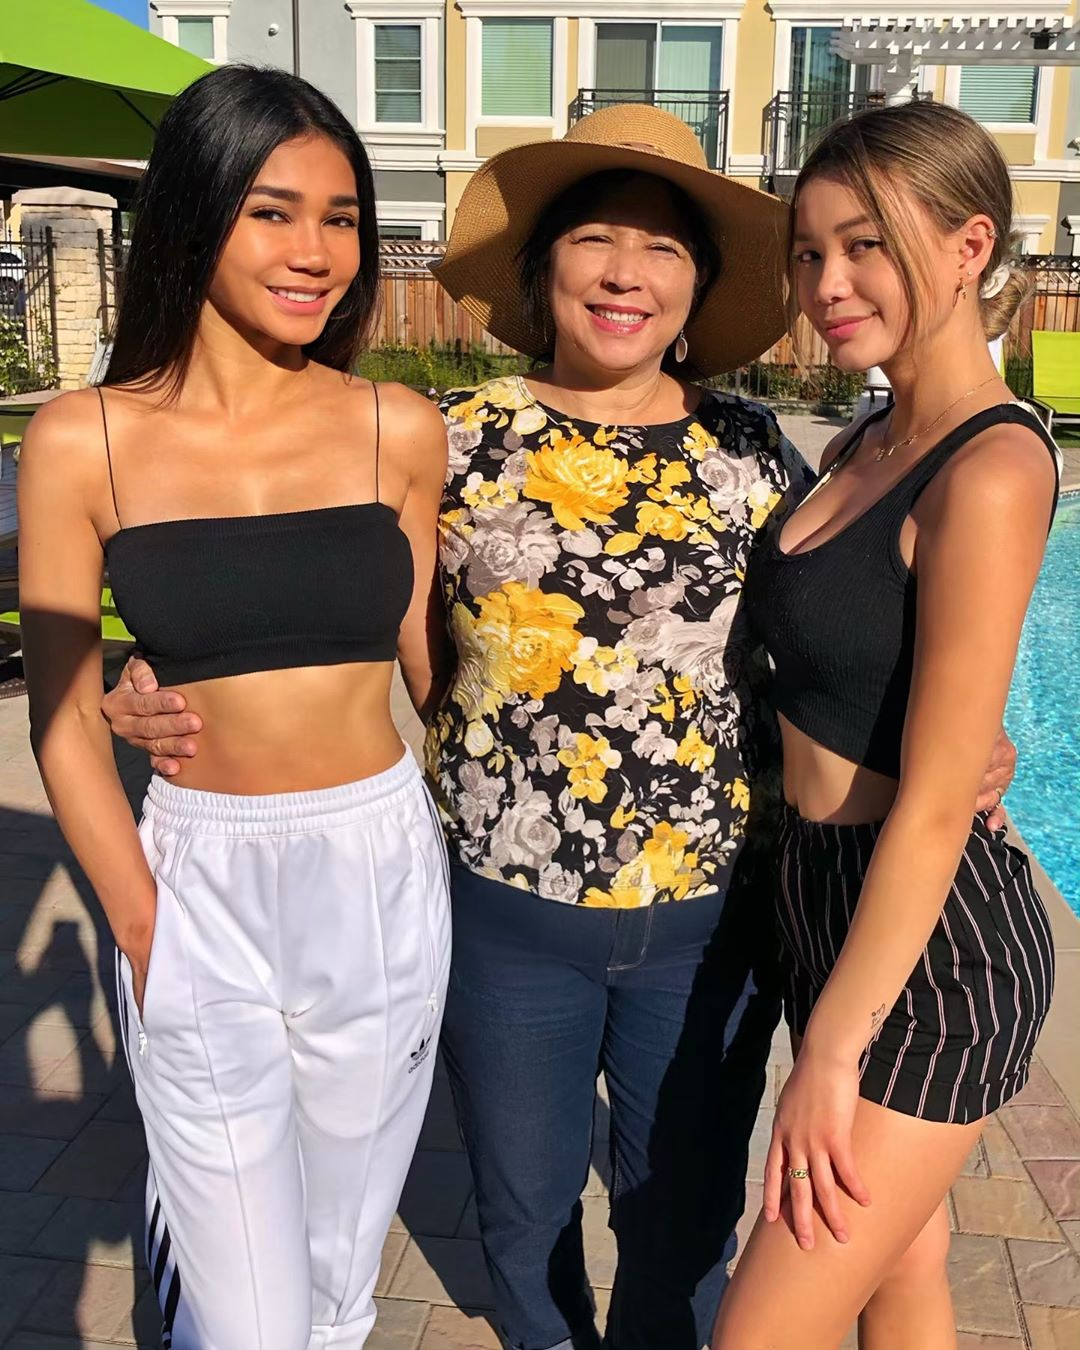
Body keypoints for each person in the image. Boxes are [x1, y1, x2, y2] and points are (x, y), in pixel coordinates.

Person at [101, 105, 1014, 1350]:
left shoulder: (755, 453)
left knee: (681, 1220)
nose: (626, 272)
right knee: (523, 1220)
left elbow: (841, 627)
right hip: (499, 915)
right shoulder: (446, 441)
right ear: (543, 270)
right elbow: (313, 601)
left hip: (713, 924)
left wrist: (951, 745)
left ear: (697, 288)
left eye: (663, 248)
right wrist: (152, 674)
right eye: (595, 238)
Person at [19, 66, 451, 1350]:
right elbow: (56, 709)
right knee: (247, 1310)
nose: (315, 252)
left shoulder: (397, 429)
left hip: (378, 869)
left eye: (340, 217)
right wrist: (145, 925)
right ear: (197, 214)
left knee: (333, 1283)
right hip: (196, 875)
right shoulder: (81, 439)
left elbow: (441, 665)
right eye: (273, 211)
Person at [713, 101, 1057, 1350]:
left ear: (970, 244)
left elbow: (928, 803)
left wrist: (828, 1056)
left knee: (763, 1327)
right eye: (808, 252)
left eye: (865, 244)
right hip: (821, 895)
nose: (827, 283)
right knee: (901, 1267)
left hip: (932, 951)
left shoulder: (992, 468)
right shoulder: (864, 438)